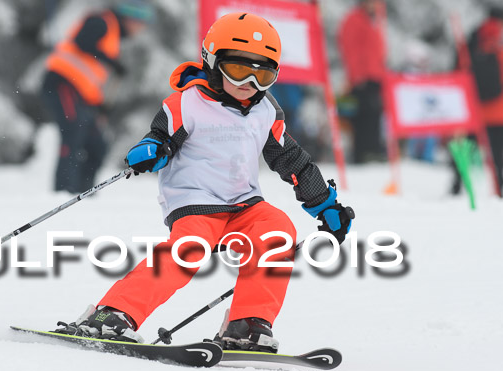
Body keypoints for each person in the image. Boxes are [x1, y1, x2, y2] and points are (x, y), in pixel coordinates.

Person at [52, 12, 354, 353]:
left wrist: (325, 204)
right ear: (213, 61)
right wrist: (152, 150)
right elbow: (158, 137)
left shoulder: (266, 111)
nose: (250, 83)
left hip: (244, 204)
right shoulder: (187, 103)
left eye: (263, 73)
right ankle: (113, 315)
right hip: (195, 201)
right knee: (188, 251)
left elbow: (291, 160)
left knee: (277, 230)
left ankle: (247, 323)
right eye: (239, 70)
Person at [41, 2, 152, 194]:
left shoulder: (114, 37)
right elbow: (82, 42)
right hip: (62, 83)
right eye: (140, 23)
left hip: (82, 95)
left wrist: (101, 108)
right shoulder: (101, 21)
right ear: (130, 17)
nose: (140, 29)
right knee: (73, 133)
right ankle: (63, 192)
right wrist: (113, 63)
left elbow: (91, 77)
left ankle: (84, 193)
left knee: (97, 145)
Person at [451, 7, 503, 197]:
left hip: (473, 111)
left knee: (465, 151)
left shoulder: (469, 47)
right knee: (498, 156)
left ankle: (456, 186)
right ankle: (500, 190)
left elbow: (457, 76)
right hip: (500, 112)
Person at [337, 0, 387, 164]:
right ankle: (362, 155)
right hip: (360, 78)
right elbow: (350, 49)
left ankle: (373, 151)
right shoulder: (354, 19)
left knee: (374, 115)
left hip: (376, 76)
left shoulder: (375, 19)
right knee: (361, 118)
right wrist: (356, 75)